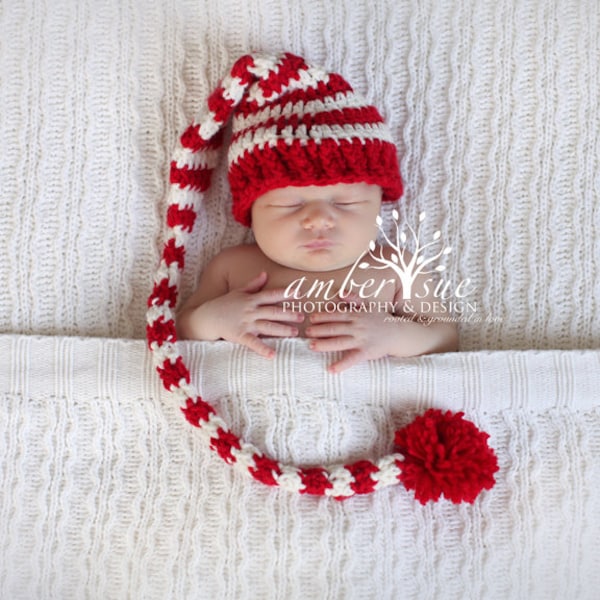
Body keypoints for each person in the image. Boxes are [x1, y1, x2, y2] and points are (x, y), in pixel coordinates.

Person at [175, 52, 458, 372]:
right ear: (250, 211)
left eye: (345, 203)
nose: (319, 218)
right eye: (289, 204)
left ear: (380, 203)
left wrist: (392, 333)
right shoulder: (233, 267)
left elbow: (444, 338)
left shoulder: (394, 268)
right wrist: (216, 319)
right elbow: (182, 330)